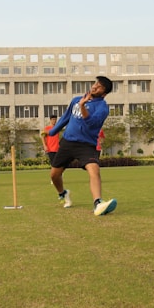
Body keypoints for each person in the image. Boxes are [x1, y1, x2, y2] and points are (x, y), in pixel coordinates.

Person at [48, 76, 117, 216]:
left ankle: (98, 203)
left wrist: (82, 106)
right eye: (96, 83)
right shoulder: (76, 99)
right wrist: (53, 131)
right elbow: (66, 117)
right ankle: (63, 193)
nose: (95, 87)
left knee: (94, 169)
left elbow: (91, 123)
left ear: (104, 93)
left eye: (100, 87)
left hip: (86, 145)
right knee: (54, 175)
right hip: (67, 142)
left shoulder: (102, 108)